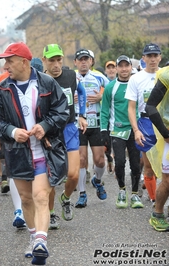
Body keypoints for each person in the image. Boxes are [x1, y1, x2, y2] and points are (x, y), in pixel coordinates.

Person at [0, 42, 69, 265]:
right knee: (25, 198)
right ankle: (34, 237)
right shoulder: (1, 89)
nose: (6, 66)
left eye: (9, 61)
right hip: (17, 152)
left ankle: (41, 242)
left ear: (24, 62)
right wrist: (12, 132)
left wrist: (45, 125)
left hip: (45, 149)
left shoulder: (47, 82)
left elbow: (62, 110)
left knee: (41, 196)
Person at [41, 44, 87, 229]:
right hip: (50, 133)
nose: (56, 64)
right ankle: (51, 213)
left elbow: (82, 92)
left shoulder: (70, 76)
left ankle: (65, 198)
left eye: (59, 60)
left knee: (73, 175)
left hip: (69, 129)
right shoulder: (39, 80)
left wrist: (82, 114)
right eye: (51, 60)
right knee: (52, 178)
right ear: (44, 60)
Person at [100, 55, 143, 209]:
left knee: (136, 165)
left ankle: (135, 194)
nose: (124, 69)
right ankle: (122, 190)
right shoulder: (111, 87)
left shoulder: (136, 84)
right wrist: (104, 130)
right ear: (116, 68)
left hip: (135, 129)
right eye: (121, 66)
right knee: (119, 162)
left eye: (127, 66)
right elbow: (104, 110)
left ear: (131, 67)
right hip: (117, 130)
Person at [125, 43, 162, 206]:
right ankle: (155, 200)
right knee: (149, 166)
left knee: (165, 165)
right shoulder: (136, 78)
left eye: (155, 56)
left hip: (164, 122)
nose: (153, 59)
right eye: (149, 56)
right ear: (143, 58)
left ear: (160, 57)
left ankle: (162, 199)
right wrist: (136, 130)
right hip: (145, 123)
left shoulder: (165, 75)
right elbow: (131, 108)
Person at [73, 48, 109, 208]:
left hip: (96, 123)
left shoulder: (99, 77)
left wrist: (101, 96)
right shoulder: (70, 77)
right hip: (78, 123)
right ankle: (82, 194)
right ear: (75, 62)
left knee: (100, 161)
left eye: (86, 59)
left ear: (91, 61)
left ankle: (97, 180)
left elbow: (112, 93)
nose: (83, 62)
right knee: (81, 159)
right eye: (80, 59)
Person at [145, 66, 169, 231]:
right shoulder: (166, 76)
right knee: (168, 181)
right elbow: (150, 106)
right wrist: (165, 133)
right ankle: (157, 214)